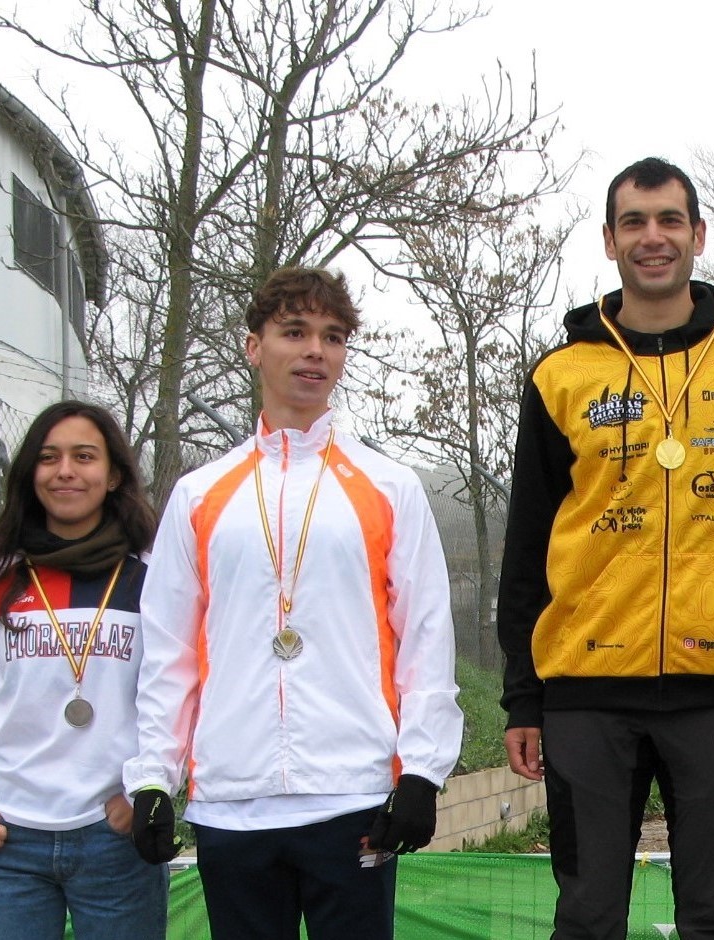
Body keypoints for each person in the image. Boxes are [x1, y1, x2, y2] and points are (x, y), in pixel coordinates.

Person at [496, 156, 714, 939]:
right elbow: (528, 542)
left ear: (698, 235)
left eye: (669, 220)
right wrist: (522, 696)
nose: (652, 237)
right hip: (586, 686)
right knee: (589, 912)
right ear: (608, 240)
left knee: (713, 911)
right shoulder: (560, 374)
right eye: (634, 222)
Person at [124, 266, 462, 940]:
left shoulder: (389, 487)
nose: (316, 350)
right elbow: (168, 652)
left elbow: (425, 637)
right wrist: (154, 778)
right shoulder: (200, 494)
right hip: (232, 800)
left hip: (353, 794)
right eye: (295, 332)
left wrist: (423, 770)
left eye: (332, 337)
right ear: (255, 346)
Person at [0, 400, 167, 939]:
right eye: (49, 457)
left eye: (84, 456)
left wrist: (147, 789)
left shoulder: (152, 573)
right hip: (7, 837)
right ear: (31, 474)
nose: (66, 470)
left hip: (113, 833)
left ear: (114, 473)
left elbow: (174, 696)